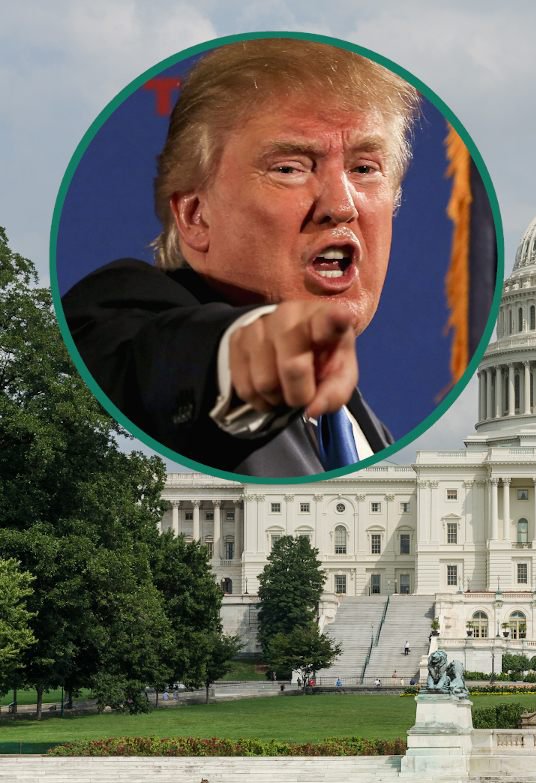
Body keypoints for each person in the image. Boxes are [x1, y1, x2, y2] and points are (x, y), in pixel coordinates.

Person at [63, 39, 420, 476]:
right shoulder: (115, 318)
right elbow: (164, 366)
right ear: (197, 217)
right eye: (289, 168)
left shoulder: (368, 433)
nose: (341, 205)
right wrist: (259, 349)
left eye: (364, 168)